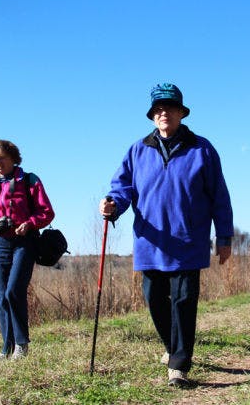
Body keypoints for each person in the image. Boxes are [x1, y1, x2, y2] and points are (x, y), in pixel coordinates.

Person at [99, 83, 233, 387]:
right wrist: (111, 205)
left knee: (184, 300)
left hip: (189, 240)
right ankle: (172, 347)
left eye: (170, 108)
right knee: (154, 299)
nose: (164, 113)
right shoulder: (137, 149)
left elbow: (219, 196)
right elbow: (122, 189)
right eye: (159, 109)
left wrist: (224, 237)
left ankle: (179, 365)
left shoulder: (202, 149)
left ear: (181, 113)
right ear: (152, 115)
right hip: (151, 241)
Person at [0, 139, 55, 361]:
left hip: (24, 241)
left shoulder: (29, 180)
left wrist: (29, 223)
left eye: (2, 158)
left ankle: (22, 344)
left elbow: (47, 212)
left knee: (13, 291)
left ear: (13, 158)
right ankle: (6, 348)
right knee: (2, 297)